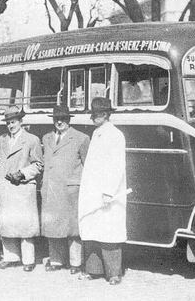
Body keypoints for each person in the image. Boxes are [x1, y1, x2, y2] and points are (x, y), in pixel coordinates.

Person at [78, 97, 127, 285]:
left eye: (95, 114)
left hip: (107, 193)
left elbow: (117, 166)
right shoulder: (97, 133)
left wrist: (109, 191)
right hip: (92, 191)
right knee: (92, 231)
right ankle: (93, 270)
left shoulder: (115, 135)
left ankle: (113, 273)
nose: (92, 117)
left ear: (105, 115)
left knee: (109, 233)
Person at [41, 104, 90, 274]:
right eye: (56, 119)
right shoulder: (46, 138)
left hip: (71, 190)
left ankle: (76, 263)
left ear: (69, 120)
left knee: (72, 228)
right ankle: (56, 261)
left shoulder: (81, 138)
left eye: (63, 119)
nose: (59, 122)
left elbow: (87, 166)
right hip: (51, 188)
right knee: (53, 225)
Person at [0, 105, 43, 272]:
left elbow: (38, 164)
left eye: (13, 122)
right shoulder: (2, 139)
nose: (10, 125)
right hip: (6, 187)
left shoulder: (32, 140)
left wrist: (22, 174)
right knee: (7, 223)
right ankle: (10, 257)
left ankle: (28, 260)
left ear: (21, 121)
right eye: (8, 122)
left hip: (22, 187)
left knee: (25, 225)